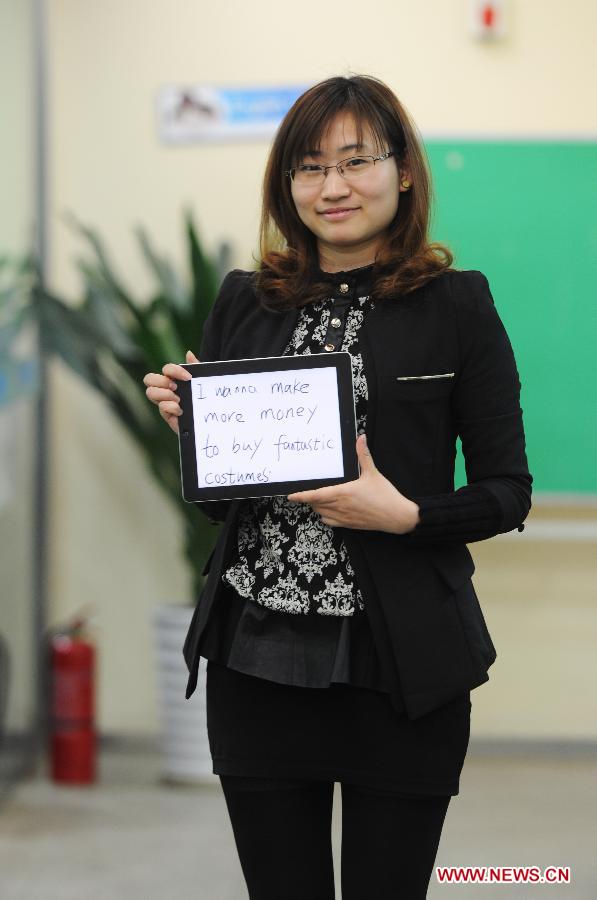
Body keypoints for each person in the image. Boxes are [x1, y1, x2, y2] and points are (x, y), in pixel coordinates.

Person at [143, 74, 532, 900]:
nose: (332, 186)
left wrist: (406, 515)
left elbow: (506, 490)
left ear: (402, 173)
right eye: (308, 166)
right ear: (286, 185)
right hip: (257, 658)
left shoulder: (456, 305)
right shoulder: (247, 300)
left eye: (355, 161)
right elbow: (224, 504)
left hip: (400, 668)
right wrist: (198, 441)